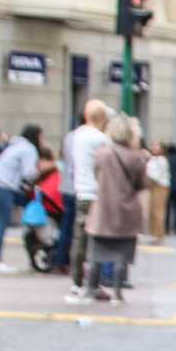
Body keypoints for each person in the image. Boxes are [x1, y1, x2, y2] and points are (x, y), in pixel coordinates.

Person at [69, 114, 149, 305]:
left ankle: (89, 291)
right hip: (127, 211)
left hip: (102, 209)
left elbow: (97, 176)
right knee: (122, 255)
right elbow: (143, 184)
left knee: (96, 253)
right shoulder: (137, 157)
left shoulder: (102, 154)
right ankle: (118, 294)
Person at [0, 124, 42, 273]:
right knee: (2, 223)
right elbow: (28, 173)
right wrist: (38, 171)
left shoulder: (16, 145)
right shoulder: (29, 149)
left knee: (1, 223)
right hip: (4, 186)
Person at [65, 101, 112, 290]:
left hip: (81, 192)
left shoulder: (76, 136)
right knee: (98, 242)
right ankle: (94, 283)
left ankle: (76, 282)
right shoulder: (101, 139)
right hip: (98, 194)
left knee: (80, 240)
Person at [144, 140, 171, 242]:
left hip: (160, 186)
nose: (154, 148)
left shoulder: (162, 160)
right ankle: (155, 233)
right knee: (153, 210)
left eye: (157, 146)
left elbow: (156, 175)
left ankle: (159, 235)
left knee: (158, 211)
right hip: (152, 186)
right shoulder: (151, 159)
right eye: (153, 145)